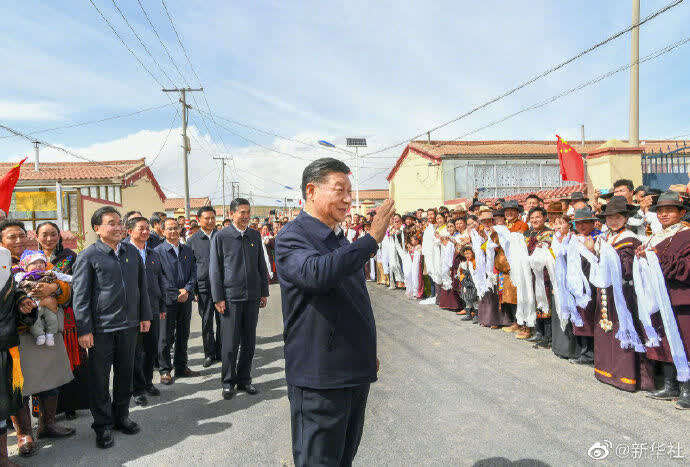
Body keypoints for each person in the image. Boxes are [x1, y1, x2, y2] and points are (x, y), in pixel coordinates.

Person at [275, 158, 393, 466]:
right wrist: (370, 241)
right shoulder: (293, 235)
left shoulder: (337, 237)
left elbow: (353, 301)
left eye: (349, 191)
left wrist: (365, 352)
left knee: (343, 458)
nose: (347, 199)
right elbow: (316, 274)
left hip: (352, 370)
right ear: (311, 191)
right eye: (339, 190)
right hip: (320, 378)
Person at [72, 206, 152, 449]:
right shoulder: (88, 256)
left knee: (125, 375)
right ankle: (103, 426)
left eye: (119, 222)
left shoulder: (131, 252)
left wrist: (144, 315)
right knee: (99, 380)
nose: (117, 227)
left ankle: (121, 417)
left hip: (129, 326)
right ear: (97, 229)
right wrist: (84, 329)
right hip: (101, 330)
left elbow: (142, 287)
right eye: (111, 223)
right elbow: (80, 296)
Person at [1, 221, 74, 456]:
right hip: (17, 334)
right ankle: (24, 433)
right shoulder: (2, 267)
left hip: (47, 331)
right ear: (2, 241)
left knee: (50, 377)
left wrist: (54, 291)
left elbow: (65, 288)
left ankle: (48, 424)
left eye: (22, 235)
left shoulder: (40, 260)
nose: (19, 241)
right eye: (12, 237)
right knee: (19, 386)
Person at [210, 198, 270, 400]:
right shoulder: (221, 236)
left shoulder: (254, 235)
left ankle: (245, 379)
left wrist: (264, 291)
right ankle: (228, 382)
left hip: (252, 296)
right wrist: (218, 297)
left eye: (247, 212)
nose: (245, 216)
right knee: (230, 343)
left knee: (249, 341)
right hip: (231, 297)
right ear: (232, 214)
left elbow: (261, 265)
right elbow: (215, 270)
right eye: (241, 212)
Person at [590, 197, 651, 392]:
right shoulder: (604, 237)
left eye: (617, 217)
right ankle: (606, 370)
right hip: (605, 290)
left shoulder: (630, 239)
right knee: (605, 327)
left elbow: (628, 268)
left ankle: (625, 375)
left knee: (622, 327)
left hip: (623, 291)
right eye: (609, 218)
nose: (613, 221)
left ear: (625, 218)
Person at [638, 191, 690, 409]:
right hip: (661, 298)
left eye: (670, 210)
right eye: (660, 211)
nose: (664, 214)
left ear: (682, 212)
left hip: (680, 297)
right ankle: (669, 384)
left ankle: (686, 388)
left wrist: (659, 257)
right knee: (666, 341)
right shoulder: (655, 236)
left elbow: (686, 268)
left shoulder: (686, 235)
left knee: (686, 342)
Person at [35, 221, 86, 420]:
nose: (49, 239)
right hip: (39, 317)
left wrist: (58, 293)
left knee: (69, 359)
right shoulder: (30, 259)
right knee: (44, 362)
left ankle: (70, 405)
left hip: (66, 314)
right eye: (45, 234)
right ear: (37, 237)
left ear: (59, 237)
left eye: (53, 234)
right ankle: (46, 413)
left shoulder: (70, 257)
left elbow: (79, 284)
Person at [123, 217, 168, 406]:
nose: (145, 232)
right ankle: (136, 388)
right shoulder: (124, 253)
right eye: (141, 229)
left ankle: (148, 382)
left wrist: (163, 306)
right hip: (133, 311)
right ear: (130, 231)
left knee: (151, 349)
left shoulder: (153, 253)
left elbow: (160, 280)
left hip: (153, 308)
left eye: (147, 229)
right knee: (136, 352)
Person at [0, 246, 37, 465]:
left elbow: (11, 293)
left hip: (7, 345)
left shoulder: (4, 255)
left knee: (8, 400)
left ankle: (4, 456)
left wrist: (24, 302)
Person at [155, 218, 198, 385]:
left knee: (183, 334)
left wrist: (187, 289)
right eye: (169, 229)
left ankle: (181, 366)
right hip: (167, 300)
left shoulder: (187, 250)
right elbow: (160, 276)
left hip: (185, 298)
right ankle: (165, 370)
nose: (173, 232)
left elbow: (194, 272)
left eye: (175, 228)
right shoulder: (158, 251)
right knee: (165, 336)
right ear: (163, 231)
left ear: (180, 229)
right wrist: (175, 292)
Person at [186, 206, 221, 368]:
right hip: (203, 288)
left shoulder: (221, 237)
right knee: (207, 321)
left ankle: (221, 352)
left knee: (223, 321)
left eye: (213, 218)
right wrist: (193, 290)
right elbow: (190, 267)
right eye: (207, 218)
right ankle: (209, 354)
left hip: (222, 287)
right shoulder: (192, 241)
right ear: (199, 220)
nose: (210, 221)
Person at [569, 207, 602, 365]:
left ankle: (591, 353)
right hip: (577, 284)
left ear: (592, 223)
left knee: (589, 317)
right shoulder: (574, 239)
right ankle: (582, 350)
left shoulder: (599, 238)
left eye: (585, 223)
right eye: (578, 223)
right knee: (579, 316)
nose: (581, 226)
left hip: (592, 284)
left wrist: (591, 251)